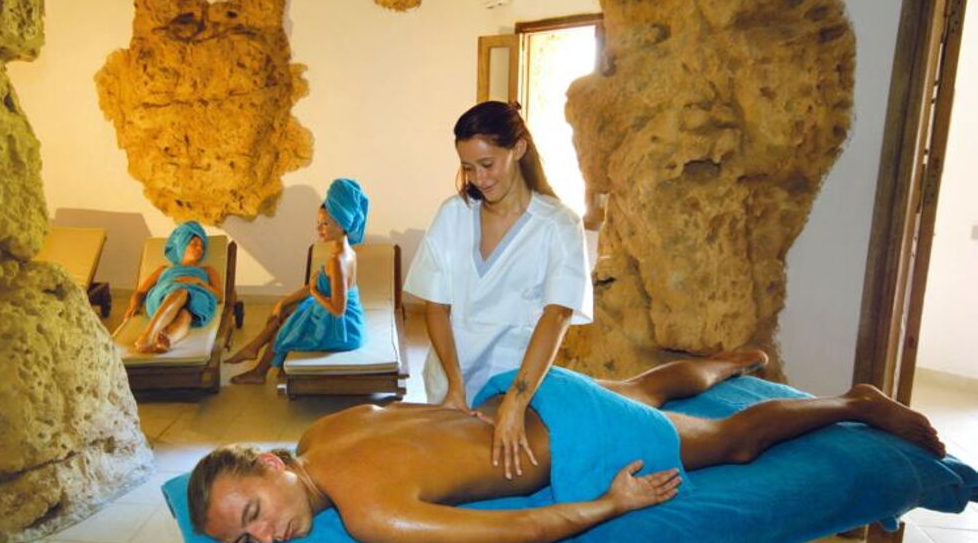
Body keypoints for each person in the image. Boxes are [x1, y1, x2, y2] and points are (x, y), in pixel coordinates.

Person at [187, 350, 946, 543]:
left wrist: (609, 503)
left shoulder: (370, 514)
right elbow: (433, 412)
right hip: (526, 397)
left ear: (271, 463)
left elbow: (523, 528)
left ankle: (855, 402)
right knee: (642, 386)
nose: (267, 537)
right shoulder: (325, 430)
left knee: (734, 442)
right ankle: (728, 362)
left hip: (578, 435)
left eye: (254, 512)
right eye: (245, 541)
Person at [404, 100, 593, 479]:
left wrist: (516, 402)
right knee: (445, 473)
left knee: (499, 476)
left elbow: (556, 315)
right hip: (450, 378)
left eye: (487, 164)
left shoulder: (557, 225)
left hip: (514, 383)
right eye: (468, 167)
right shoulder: (453, 215)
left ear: (518, 149)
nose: (479, 178)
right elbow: (436, 306)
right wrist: (454, 386)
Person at [227, 178, 370, 385]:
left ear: (341, 225)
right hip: (345, 321)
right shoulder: (347, 252)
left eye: (325, 224)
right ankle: (254, 350)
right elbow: (320, 287)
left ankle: (258, 369)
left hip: (342, 330)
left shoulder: (337, 261)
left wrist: (315, 292)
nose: (319, 229)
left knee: (288, 323)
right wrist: (284, 301)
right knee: (285, 310)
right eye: (318, 223)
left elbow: (338, 309)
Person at [125, 221, 223, 354]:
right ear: (182, 244)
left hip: (197, 300)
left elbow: (219, 296)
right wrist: (134, 305)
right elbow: (142, 291)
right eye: (194, 243)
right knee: (180, 292)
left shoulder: (207, 270)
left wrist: (197, 282)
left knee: (186, 314)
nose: (199, 248)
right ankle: (152, 336)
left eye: (202, 246)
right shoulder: (163, 270)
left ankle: (165, 339)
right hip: (163, 298)